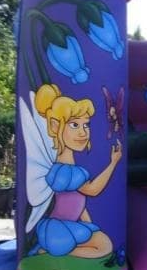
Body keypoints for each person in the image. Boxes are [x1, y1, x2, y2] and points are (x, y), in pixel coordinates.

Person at [29, 83, 122, 258]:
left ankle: (54, 252)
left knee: (103, 244)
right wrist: (113, 163)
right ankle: (49, 252)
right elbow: (92, 190)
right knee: (104, 247)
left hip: (68, 226)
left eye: (85, 125)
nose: (83, 132)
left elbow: (79, 203)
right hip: (58, 229)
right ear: (55, 127)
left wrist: (91, 227)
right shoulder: (64, 171)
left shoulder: (71, 169)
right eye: (74, 125)